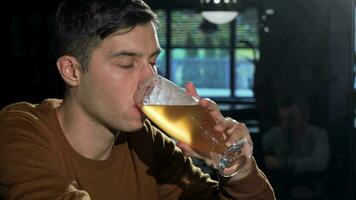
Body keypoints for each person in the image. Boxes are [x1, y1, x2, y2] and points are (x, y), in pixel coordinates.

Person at [0, 0, 274, 199]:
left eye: (152, 62)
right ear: (72, 71)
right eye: (127, 63)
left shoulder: (149, 143)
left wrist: (238, 171)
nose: (149, 78)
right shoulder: (18, 129)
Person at [262, 94, 329, 200]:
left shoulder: (318, 134)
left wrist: (285, 164)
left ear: (305, 117)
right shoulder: (276, 133)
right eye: (281, 119)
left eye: (291, 119)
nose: (284, 125)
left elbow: (320, 162)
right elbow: (254, 148)